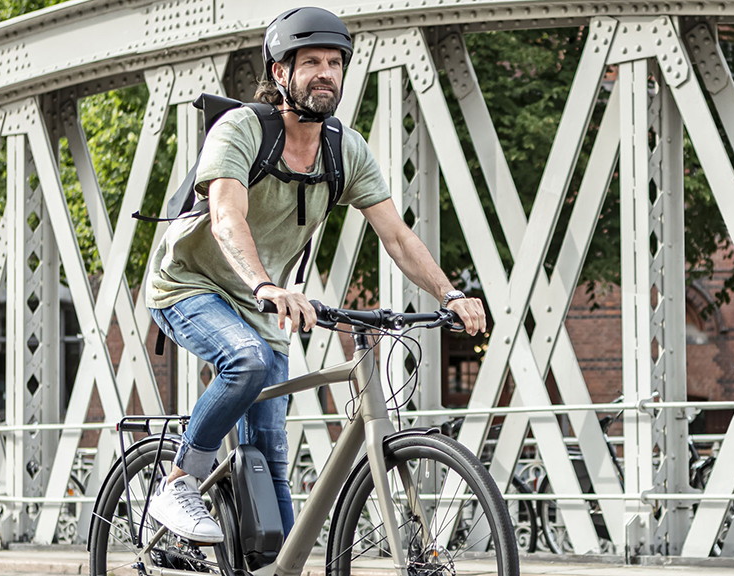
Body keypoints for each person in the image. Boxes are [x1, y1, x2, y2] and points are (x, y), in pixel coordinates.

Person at [141, 6, 488, 543]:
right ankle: (180, 481)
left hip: (262, 306)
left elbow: (397, 236)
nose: (326, 73)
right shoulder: (240, 129)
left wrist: (450, 292)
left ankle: (274, 567)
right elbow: (226, 216)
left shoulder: (344, 149)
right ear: (280, 72)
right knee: (246, 360)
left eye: (335, 62)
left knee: (271, 457)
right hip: (189, 285)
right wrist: (266, 285)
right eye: (311, 63)